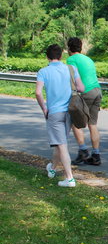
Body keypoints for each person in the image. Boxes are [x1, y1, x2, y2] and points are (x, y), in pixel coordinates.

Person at [35, 44, 85, 187]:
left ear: (47, 56)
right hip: (70, 111)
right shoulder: (71, 69)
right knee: (59, 143)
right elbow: (81, 88)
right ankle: (52, 168)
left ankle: (69, 179)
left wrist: (44, 108)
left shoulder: (43, 72)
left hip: (55, 112)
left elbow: (38, 92)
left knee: (62, 145)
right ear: (61, 56)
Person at [66, 37, 103, 166]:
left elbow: (73, 77)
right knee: (92, 124)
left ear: (69, 48)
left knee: (75, 122)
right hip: (97, 90)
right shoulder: (88, 59)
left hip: (85, 92)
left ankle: (83, 150)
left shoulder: (71, 59)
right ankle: (96, 155)